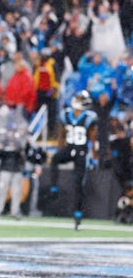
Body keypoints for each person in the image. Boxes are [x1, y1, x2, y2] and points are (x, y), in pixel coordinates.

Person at [48, 90, 97, 230]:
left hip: (81, 151)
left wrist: (94, 155)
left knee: (79, 184)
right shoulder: (66, 114)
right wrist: (60, 148)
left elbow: (92, 138)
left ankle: (77, 214)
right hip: (70, 148)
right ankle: (54, 187)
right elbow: (61, 134)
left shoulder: (89, 117)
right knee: (55, 159)